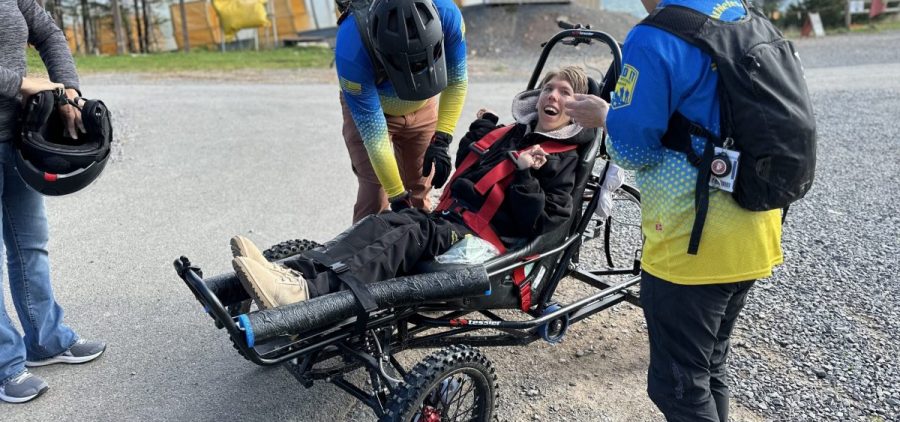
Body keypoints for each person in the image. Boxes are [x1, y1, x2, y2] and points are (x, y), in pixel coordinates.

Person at [564, 0, 783, 421]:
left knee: (678, 389)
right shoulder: (743, 17)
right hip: (757, 226)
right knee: (709, 368)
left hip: (692, 243)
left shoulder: (656, 34)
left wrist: (607, 116)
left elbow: (632, 148)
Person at [231, 66, 593, 309]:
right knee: (386, 221)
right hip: (455, 221)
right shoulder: (516, 135)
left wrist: (527, 176)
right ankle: (297, 272)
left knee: (409, 234)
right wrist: (480, 134)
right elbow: (470, 173)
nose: (552, 97)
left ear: (578, 109)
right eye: (548, 88)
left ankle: (312, 294)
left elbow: (545, 226)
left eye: (565, 93)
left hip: (491, 246)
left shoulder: (563, 160)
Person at [0, 0, 106, 404]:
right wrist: (25, 83)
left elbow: (47, 32)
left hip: (16, 137)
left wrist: (68, 89)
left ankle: (46, 340)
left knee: (30, 245)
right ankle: (6, 366)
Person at [335, 0, 468, 222]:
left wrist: (442, 139)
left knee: (421, 189)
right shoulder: (351, 47)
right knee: (375, 196)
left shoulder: (446, 14)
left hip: (423, 106)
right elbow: (375, 140)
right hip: (375, 112)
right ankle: (362, 250)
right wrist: (397, 197)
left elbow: (456, 81)